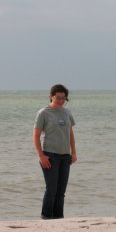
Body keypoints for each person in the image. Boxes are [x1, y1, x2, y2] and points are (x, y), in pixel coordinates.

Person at [33, 84, 77, 219]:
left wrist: (73, 153)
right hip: (50, 155)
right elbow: (36, 136)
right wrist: (41, 156)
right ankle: (46, 217)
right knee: (51, 190)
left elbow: (70, 134)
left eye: (64, 98)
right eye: (58, 98)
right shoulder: (43, 113)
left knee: (61, 192)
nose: (61, 101)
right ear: (51, 96)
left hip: (65, 156)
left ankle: (59, 218)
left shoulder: (67, 112)